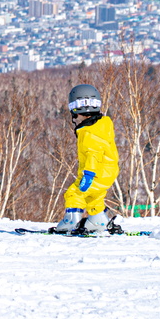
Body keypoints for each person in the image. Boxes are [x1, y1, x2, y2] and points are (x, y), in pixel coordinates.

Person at [53, 83, 120, 236]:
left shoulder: (89, 133)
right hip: (107, 170)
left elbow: (93, 155)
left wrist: (88, 175)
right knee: (93, 196)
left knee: (74, 193)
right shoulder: (99, 127)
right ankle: (98, 220)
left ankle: (72, 221)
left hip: (96, 171)